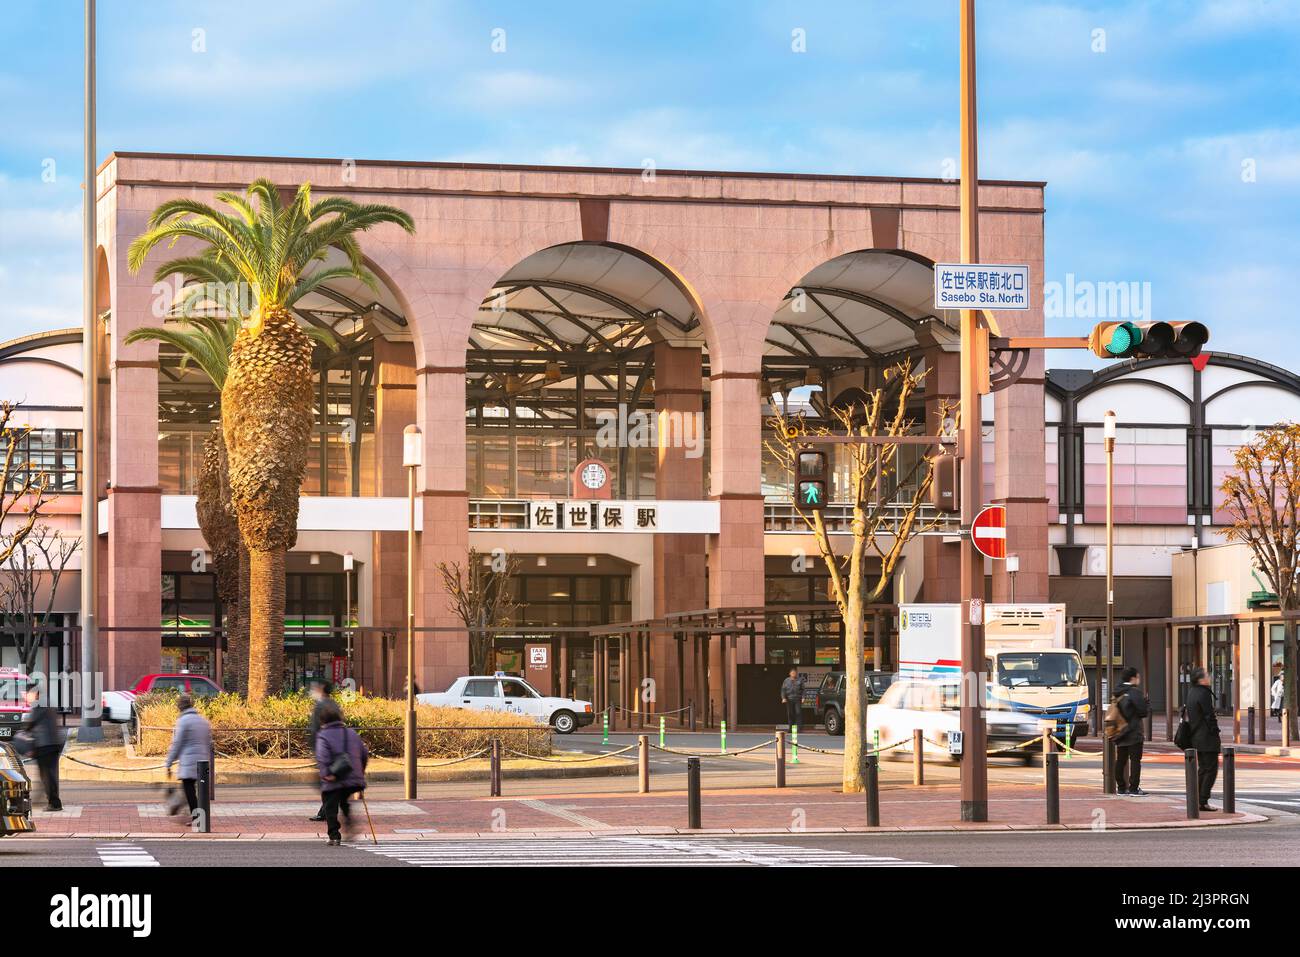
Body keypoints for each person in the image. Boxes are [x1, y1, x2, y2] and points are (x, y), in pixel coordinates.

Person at [313, 700, 368, 846]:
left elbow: (322, 756)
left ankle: (334, 835)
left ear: (323, 721)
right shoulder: (351, 732)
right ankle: (349, 823)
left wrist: (326, 774)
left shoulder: (323, 735)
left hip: (334, 777)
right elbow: (364, 753)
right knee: (344, 800)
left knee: (330, 805)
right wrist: (361, 772)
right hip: (352, 777)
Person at [164, 694, 214, 824]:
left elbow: (177, 743)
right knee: (199, 790)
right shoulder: (203, 721)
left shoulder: (183, 721)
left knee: (189, 789)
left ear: (180, 707)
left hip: (189, 761)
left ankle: (197, 818)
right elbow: (209, 742)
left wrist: (169, 762)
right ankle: (200, 817)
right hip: (203, 761)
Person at [1185, 667, 1222, 812]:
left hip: (1196, 736)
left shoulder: (1192, 692)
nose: (1209, 677)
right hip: (1207, 737)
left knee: (1202, 769)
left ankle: (1197, 798)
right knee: (1211, 769)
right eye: (1207, 675)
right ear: (1201, 679)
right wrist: (1215, 731)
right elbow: (1209, 715)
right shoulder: (1204, 693)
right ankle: (1203, 800)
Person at [21, 686, 63, 811]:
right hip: (52, 743)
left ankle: (54, 803)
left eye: (27, 694)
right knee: (49, 774)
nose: (26, 697)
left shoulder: (39, 705)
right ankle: (52, 801)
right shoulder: (46, 702)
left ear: (34, 693)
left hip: (45, 745)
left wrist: (24, 731)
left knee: (47, 775)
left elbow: (32, 722)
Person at [1112, 667, 1149, 796]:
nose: (1139, 679)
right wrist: (1146, 703)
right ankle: (1133, 788)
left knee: (1121, 760)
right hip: (1133, 732)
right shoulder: (1134, 692)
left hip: (1120, 731)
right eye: (1138, 677)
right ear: (1133, 678)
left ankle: (1121, 787)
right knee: (1135, 761)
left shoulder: (1117, 692)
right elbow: (1143, 712)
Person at [305, 679, 332, 823]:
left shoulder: (324, 705)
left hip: (325, 749)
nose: (312, 690)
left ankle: (328, 811)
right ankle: (326, 810)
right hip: (324, 748)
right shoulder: (327, 704)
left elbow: (320, 728)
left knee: (326, 782)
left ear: (321, 688)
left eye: (315, 687)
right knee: (326, 782)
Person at [779, 668, 805, 732]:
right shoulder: (786, 680)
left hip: (797, 699)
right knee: (790, 714)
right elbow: (783, 690)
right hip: (789, 699)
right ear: (790, 674)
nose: (794, 674)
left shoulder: (800, 680)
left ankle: (799, 728)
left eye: (795, 673)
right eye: (792, 673)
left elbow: (803, 690)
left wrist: (803, 697)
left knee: (798, 713)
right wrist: (783, 698)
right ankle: (791, 728)